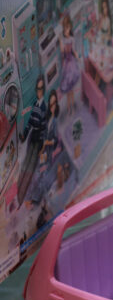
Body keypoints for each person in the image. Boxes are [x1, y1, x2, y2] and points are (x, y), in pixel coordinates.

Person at [17, 76, 48, 204]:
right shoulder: (35, 105)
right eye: (37, 89)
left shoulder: (44, 108)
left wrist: (42, 146)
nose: (38, 91)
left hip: (38, 139)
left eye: (40, 89)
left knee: (31, 166)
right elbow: (30, 122)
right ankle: (20, 192)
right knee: (26, 162)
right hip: (32, 136)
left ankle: (25, 195)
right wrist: (24, 135)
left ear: (43, 90)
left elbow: (44, 128)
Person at [59, 14, 81, 115]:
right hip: (66, 63)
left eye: (68, 28)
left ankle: (71, 105)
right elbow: (62, 52)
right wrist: (60, 41)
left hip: (71, 62)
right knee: (69, 90)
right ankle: (69, 107)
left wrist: (77, 57)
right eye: (65, 28)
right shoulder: (63, 40)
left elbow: (74, 51)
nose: (67, 30)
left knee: (71, 89)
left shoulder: (72, 39)